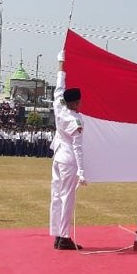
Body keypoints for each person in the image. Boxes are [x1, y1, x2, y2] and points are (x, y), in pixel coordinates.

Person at [49, 50, 86, 251]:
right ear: (75, 102)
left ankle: (57, 234)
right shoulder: (75, 119)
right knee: (66, 197)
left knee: (56, 195)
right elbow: (77, 147)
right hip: (69, 159)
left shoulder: (59, 106)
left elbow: (59, 86)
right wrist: (82, 171)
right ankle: (64, 236)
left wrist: (61, 62)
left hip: (57, 156)